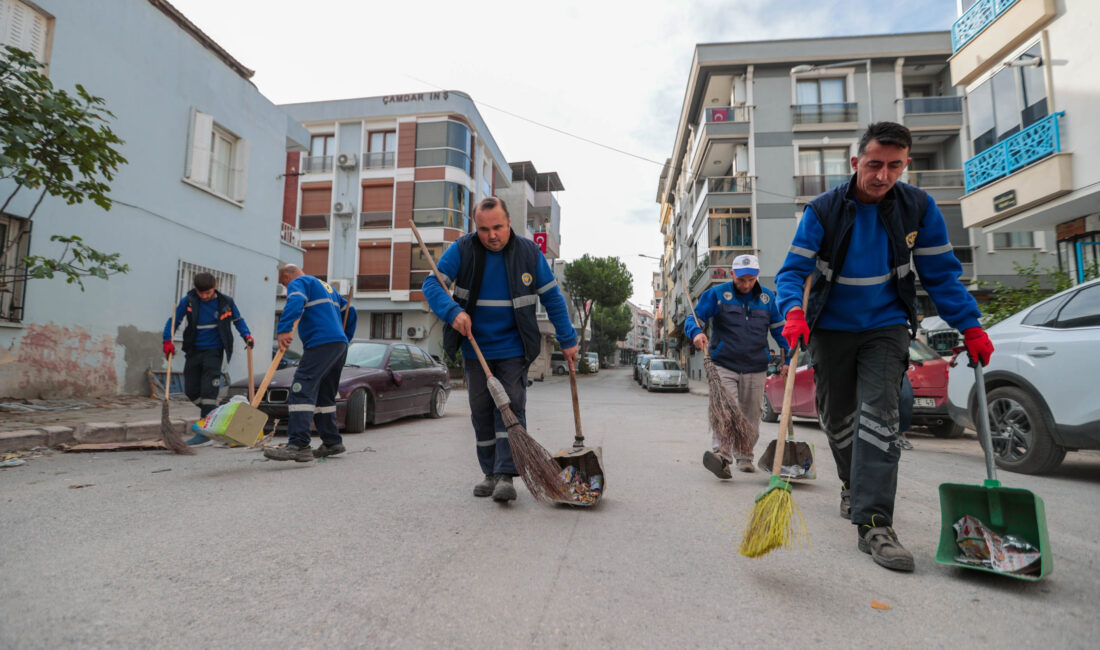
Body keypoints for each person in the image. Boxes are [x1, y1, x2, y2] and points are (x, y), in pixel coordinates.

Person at [775, 121, 994, 572]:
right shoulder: (823, 211)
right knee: (836, 418)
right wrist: (793, 314)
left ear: (905, 165)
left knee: (880, 414)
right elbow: (792, 273)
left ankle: (875, 524)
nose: (882, 175)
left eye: (894, 166)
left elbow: (940, 275)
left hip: (886, 324)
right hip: (831, 327)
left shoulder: (918, 208)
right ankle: (852, 485)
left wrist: (970, 325)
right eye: (874, 164)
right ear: (856, 162)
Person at [422, 196, 579, 502]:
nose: (491, 235)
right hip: (475, 347)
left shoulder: (528, 252)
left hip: (513, 347)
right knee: (481, 413)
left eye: (498, 227)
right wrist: (453, 313)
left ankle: (506, 474)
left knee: (510, 407)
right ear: (475, 227)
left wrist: (569, 339)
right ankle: (490, 473)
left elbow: (552, 298)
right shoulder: (462, 249)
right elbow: (432, 286)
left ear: (509, 224)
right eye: (484, 229)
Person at [684, 254, 789, 479]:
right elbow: (694, 318)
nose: (746, 284)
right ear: (732, 274)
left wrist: (788, 359)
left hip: (756, 366)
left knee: (751, 413)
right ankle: (721, 456)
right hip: (724, 364)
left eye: (750, 280)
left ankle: (745, 456)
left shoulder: (768, 298)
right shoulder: (717, 295)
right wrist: (696, 332)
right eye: (741, 279)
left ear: (757, 276)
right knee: (724, 409)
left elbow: (781, 332)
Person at [263, 264, 357, 462]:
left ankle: (298, 445)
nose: (286, 287)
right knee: (325, 395)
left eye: (283, 283)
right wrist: (344, 337)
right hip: (337, 345)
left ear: (288, 276)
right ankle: (332, 442)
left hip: (320, 343)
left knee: (301, 388)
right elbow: (351, 310)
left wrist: (284, 329)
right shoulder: (326, 287)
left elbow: (296, 300)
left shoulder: (300, 282)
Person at [163, 272, 253, 447]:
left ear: (215, 287)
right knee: (191, 390)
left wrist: (247, 336)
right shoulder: (189, 301)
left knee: (208, 392)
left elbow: (238, 320)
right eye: (201, 293)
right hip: (194, 350)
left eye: (208, 293)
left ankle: (204, 434)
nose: (204, 296)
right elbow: (174, 320)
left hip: (215, 351)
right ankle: (217, 414)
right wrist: (167, 340)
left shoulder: (226, 302)